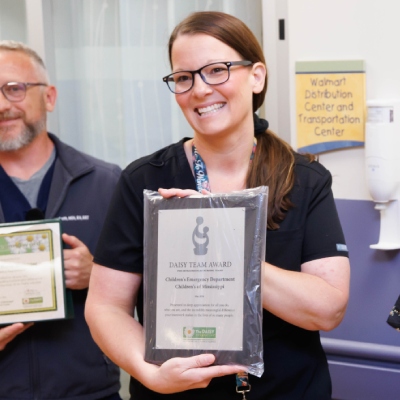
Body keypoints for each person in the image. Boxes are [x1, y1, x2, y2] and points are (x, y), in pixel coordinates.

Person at [85, 11, 350, 400]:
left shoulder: (305, 179)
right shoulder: (143, 180)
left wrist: (228, 247)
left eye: (216, 70)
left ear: (256, 75)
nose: (199, 89)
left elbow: (326, 310)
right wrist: (149, 373)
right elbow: (106, 308)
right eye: (183, 77)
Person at [0, 40, 122, 399]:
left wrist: (96, 274)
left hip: (90, 392)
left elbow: (151, 294)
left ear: (49, 97)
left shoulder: (107, 183)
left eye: (15, 89)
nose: (3, 105)